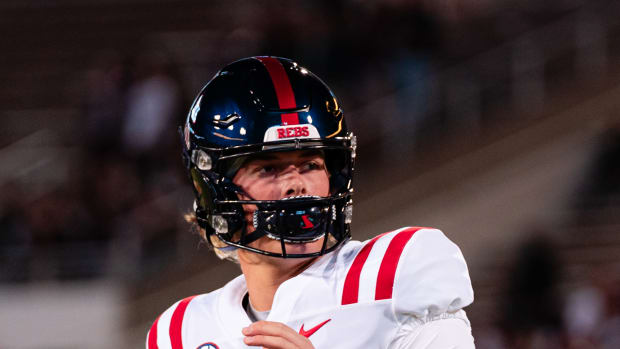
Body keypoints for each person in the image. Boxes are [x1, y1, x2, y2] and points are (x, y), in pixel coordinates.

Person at [147, 56, 475, 349]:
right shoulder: (180, 333)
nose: (296, 183)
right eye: (269, 168)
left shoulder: (392, 275)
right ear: (215, 188)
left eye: (310, 165)